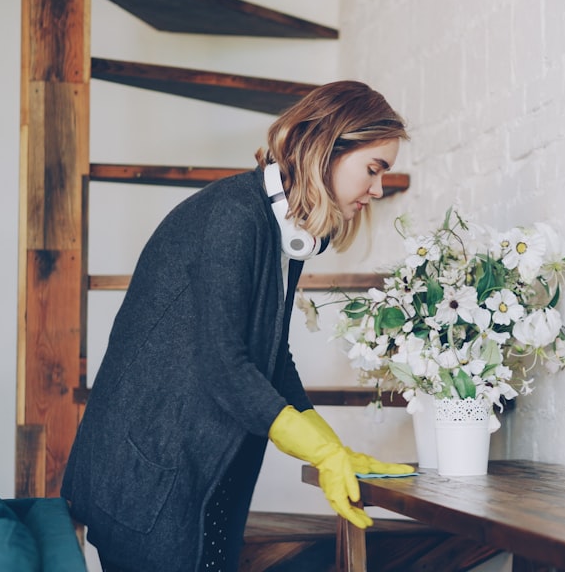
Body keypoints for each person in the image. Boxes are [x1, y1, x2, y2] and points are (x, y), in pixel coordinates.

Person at [62, 80, 415, 572]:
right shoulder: (235, 216)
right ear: (326, 149)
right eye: (373, 169)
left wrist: (327, 442)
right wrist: (316, 448)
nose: (378, 189)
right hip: (150, 473)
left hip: (200, 466)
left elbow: (271, 353)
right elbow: (224, 364)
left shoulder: (282, 228)